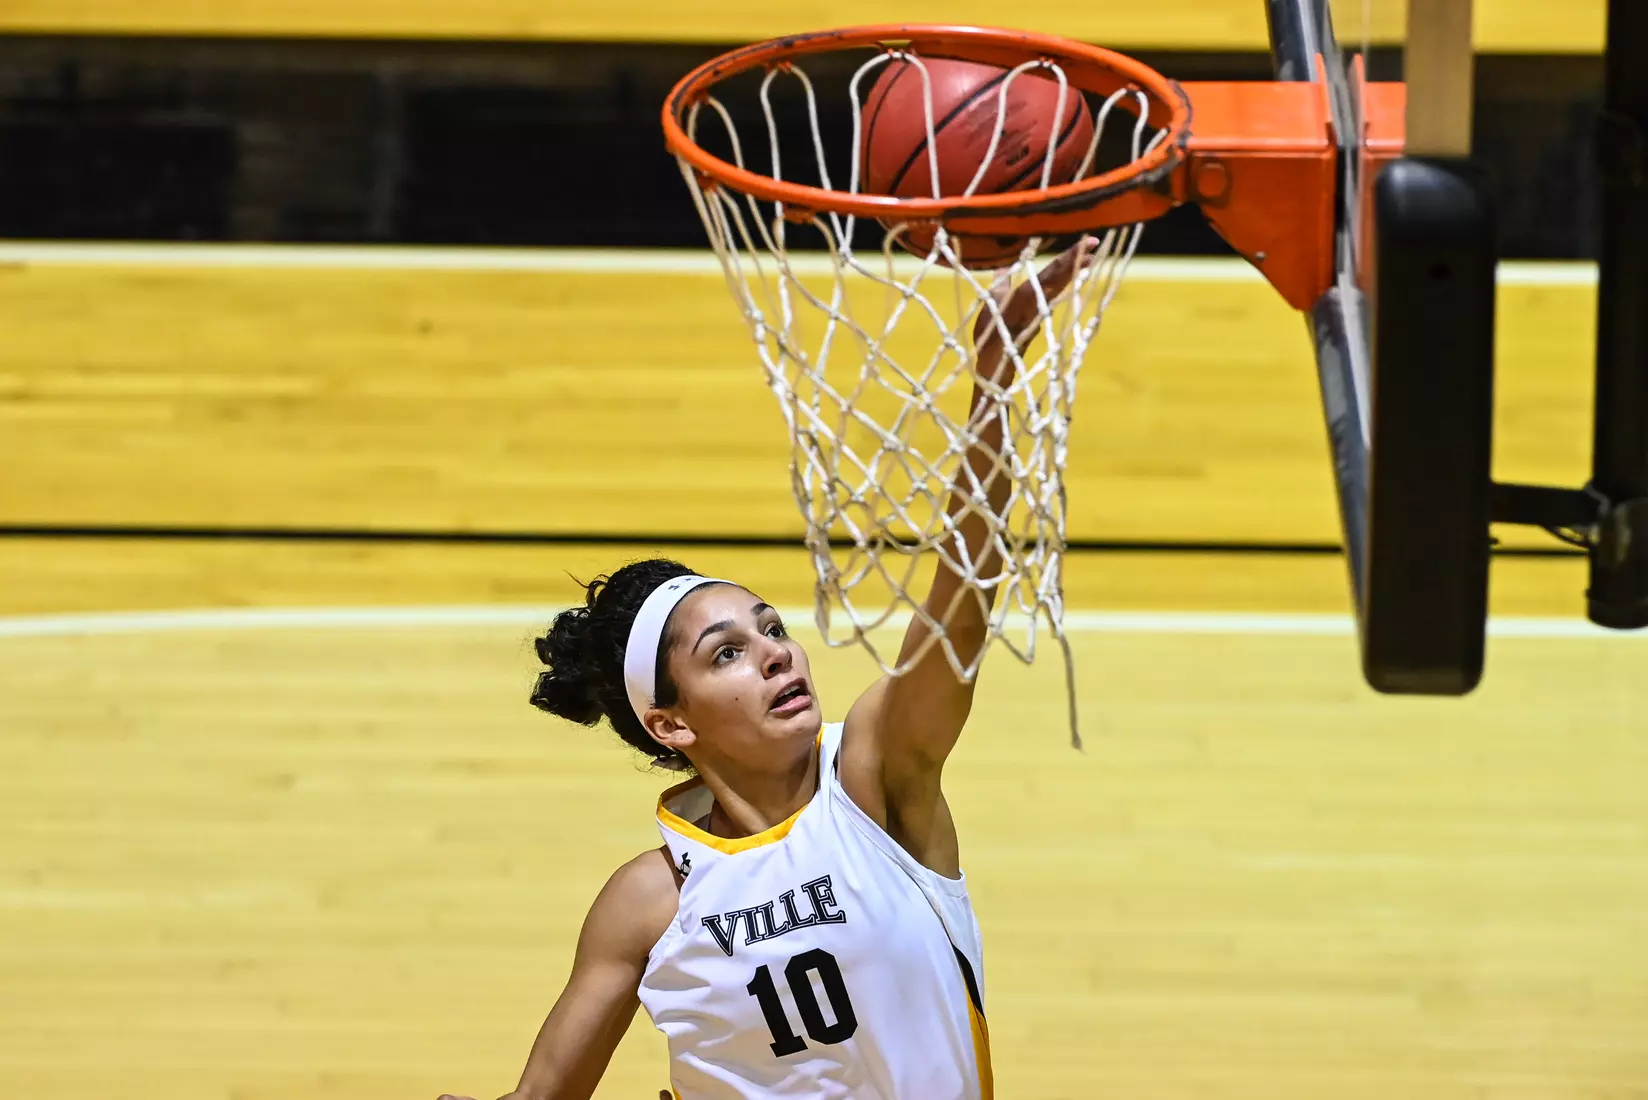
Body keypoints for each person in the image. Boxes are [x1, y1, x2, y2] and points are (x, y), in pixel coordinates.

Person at [439, 239, 1097, 1100]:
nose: (776, 653)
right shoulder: (649, 900)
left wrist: (994, 383)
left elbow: (957, 606)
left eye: (769, 628)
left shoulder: (872, 777)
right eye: (728, 654)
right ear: (672, 723)